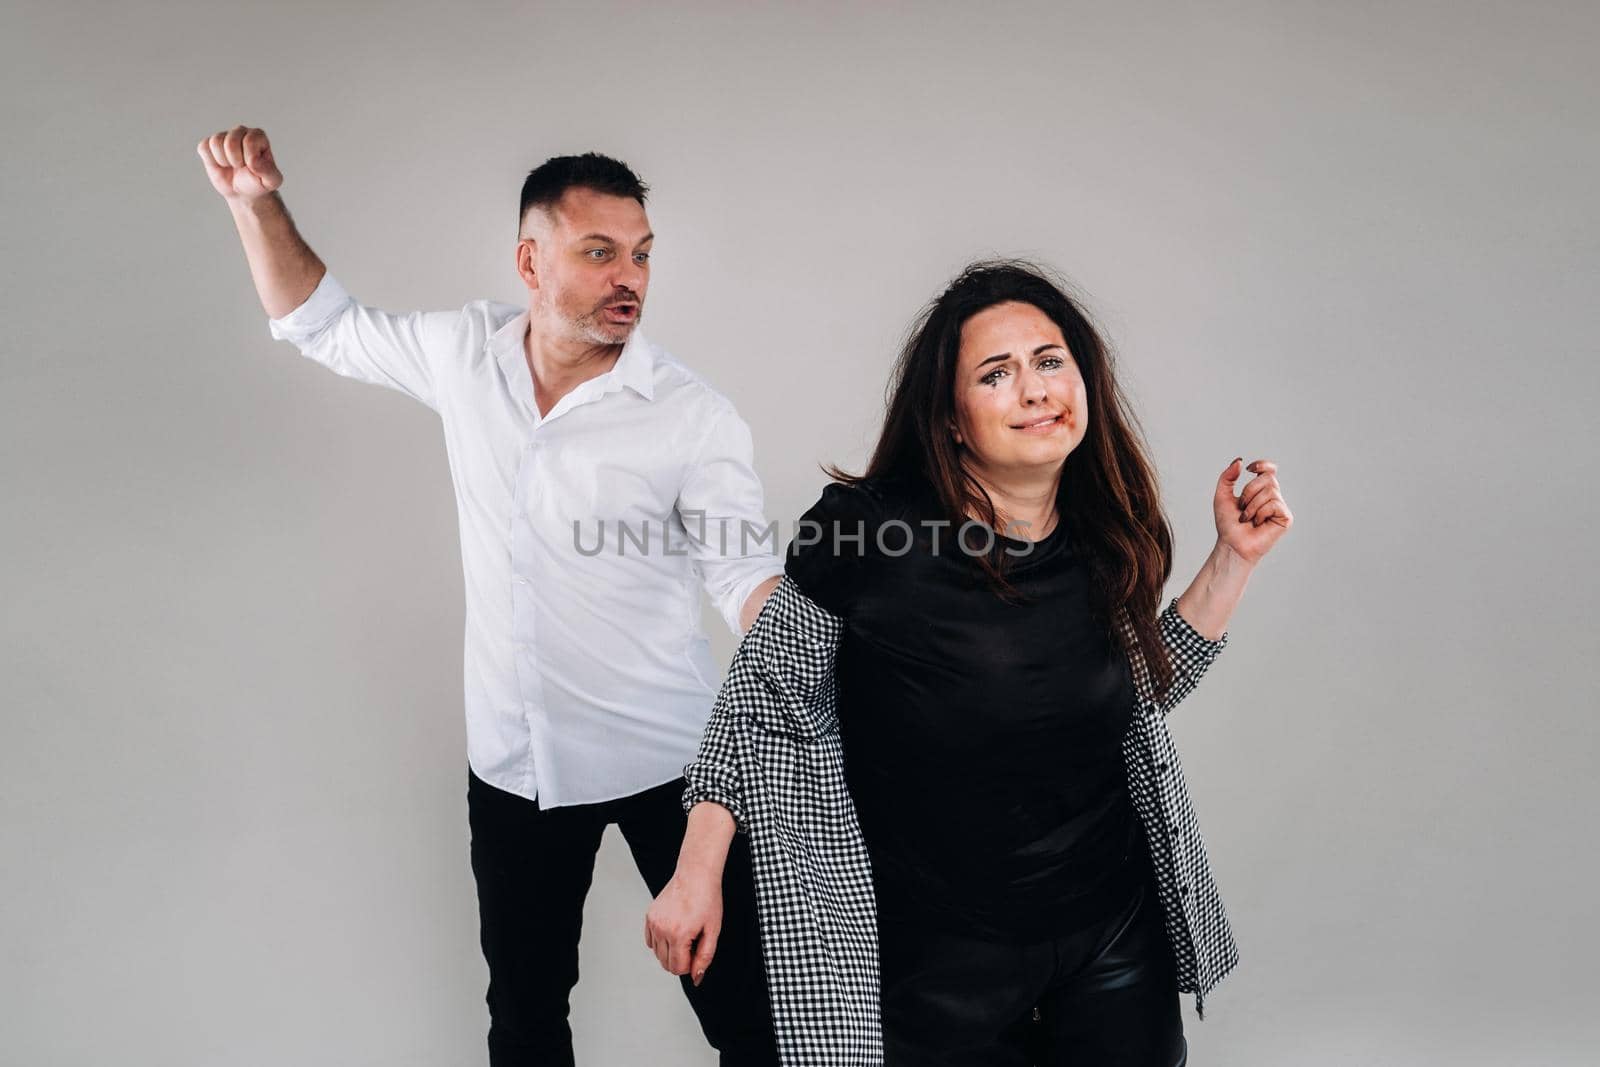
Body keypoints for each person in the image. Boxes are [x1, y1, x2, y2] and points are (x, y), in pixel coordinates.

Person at [198, 125, 784, 1066]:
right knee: (523, 1016)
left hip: (670, 761)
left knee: (752, 1022)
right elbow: (322, 322)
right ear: (531, 259)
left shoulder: (691, 414)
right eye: (599, 253)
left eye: (640, 254)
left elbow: (743, 574)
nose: (627, 275)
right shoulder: (463, 353)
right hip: (514, 767)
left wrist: (795, 642)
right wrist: (254, 203)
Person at [644, 261, 1293, 1066]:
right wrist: (695, 871)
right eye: (997, 373)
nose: (1035, 389)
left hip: (1110, 937)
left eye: (1050, 361)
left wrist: (1233, 560)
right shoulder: (866, 534)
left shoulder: (1103, 531)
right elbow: (762, 702)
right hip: (937, 963)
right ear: (951, 420)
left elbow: (1133, 696)